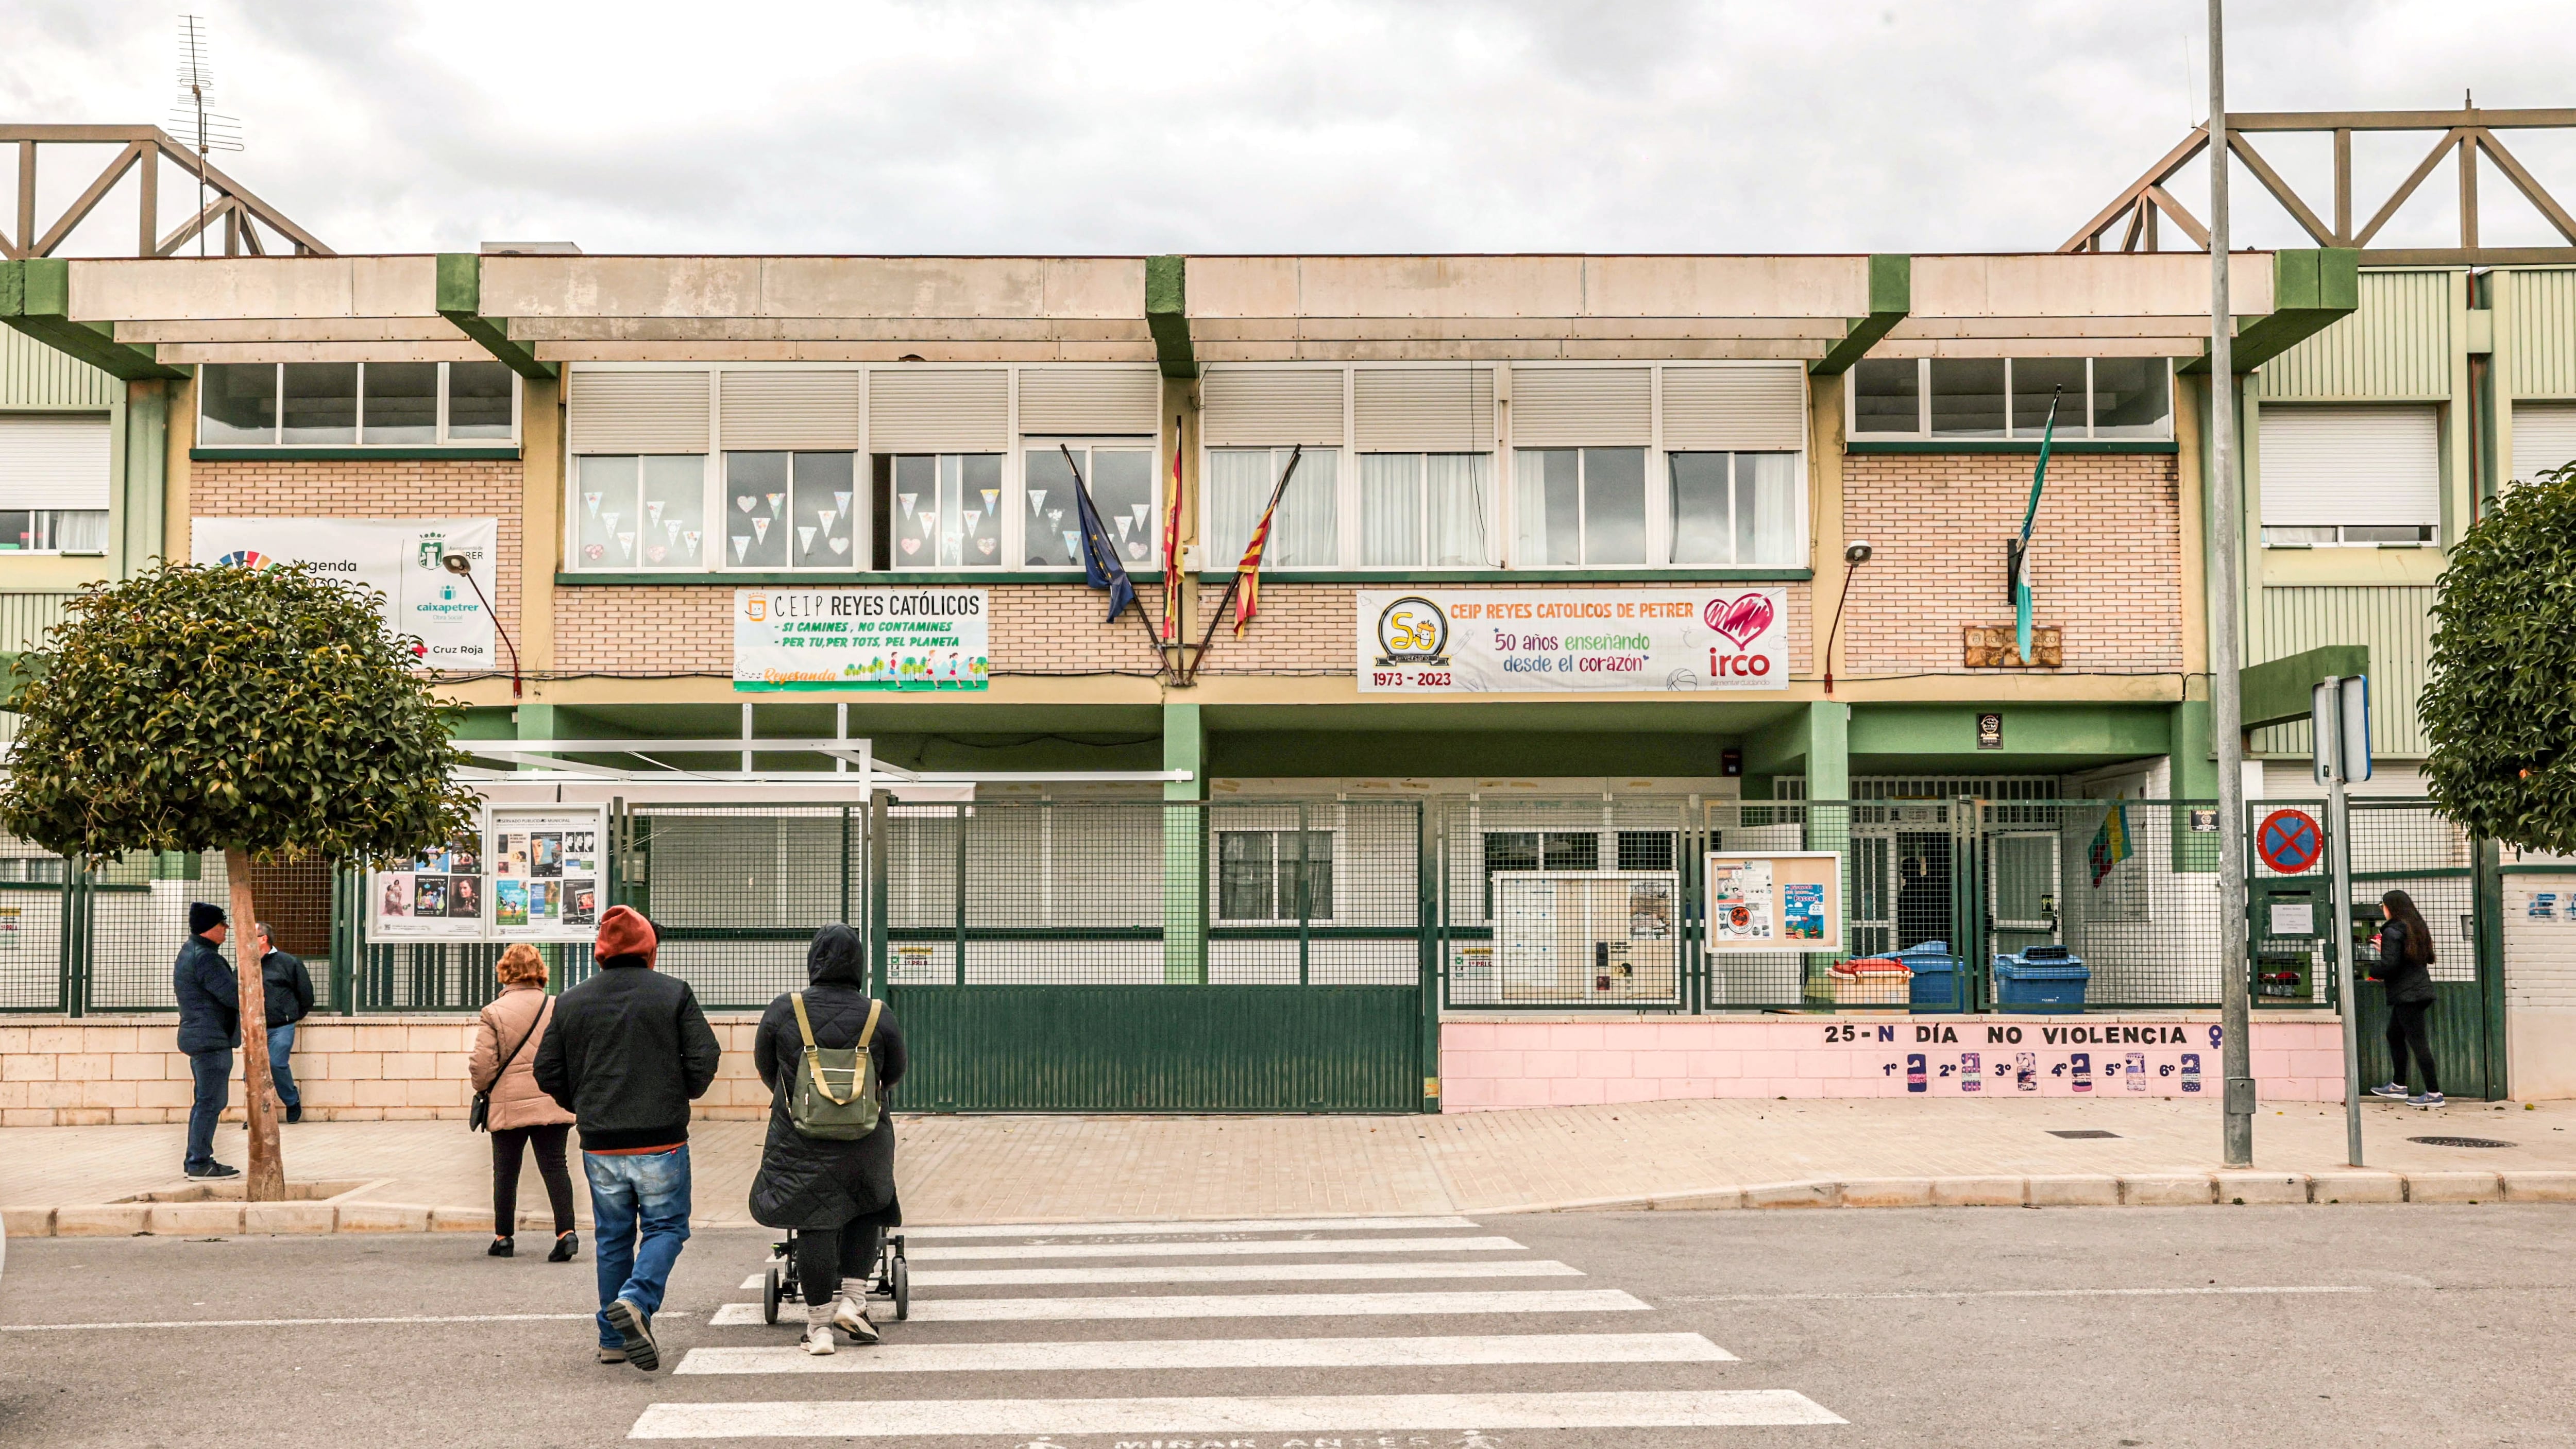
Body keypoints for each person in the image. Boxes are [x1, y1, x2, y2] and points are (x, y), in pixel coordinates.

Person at [534, 906, 720, 1371]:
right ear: (649, 949)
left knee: (614, 1237)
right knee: (667, 1227)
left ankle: (611, 1339)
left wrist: (585, 1106)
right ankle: (637, 1300)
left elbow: (546, 1070)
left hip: (600, 1143)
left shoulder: (570, 1001)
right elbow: (705, 1055)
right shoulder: (673, 993)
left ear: (600, 952)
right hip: (661, 1138)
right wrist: (681, 1094)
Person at [750, 923, 908, 1355]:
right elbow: (893, 1072)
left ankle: (818, 1328)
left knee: (815, 1221)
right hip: (866, 1136)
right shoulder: (878, 1013)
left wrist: (798, 1103)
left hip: (800, 1139)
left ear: (814, 960)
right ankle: (854, 1302)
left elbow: (767, 1067)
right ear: (857, 964)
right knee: (865, 1208)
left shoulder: (785, 1010)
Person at [470, 943, 578, 1263]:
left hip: (508, 1102)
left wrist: (483, 1088)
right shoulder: (558, 1006)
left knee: (505, 1171)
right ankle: (566, 1234)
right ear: (540, 971)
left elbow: (482, 1065)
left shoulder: (493, 1012)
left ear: (505, 972)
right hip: (551, 1100)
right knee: (556, 1166)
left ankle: (504, 1238)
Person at [172, 902, 241, 1180]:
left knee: (206, 1101)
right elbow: (232, 996)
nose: (226, 929)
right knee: (211, 1102)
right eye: (223, 924)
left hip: (202, 1035)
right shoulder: (206, 958)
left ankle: (197, 1159)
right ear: (210, 927)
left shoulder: (191, 952)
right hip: (210, 1039)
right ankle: (199, 1162)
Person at [2367, 889, 2444, 1107]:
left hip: (2407, 994)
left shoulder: (2393, 931)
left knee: (2418, 1044)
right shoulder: (2416, 928)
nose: (2382, 910)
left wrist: (2373, 970)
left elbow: (2390, 965)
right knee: (2394, 1035)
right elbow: (2417, 959)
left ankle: (2434, 1093)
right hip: (2417, 991)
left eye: (2383, 905)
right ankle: (2399, 1085)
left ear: (2390, 907)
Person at [255, 923, 315, 1126]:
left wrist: (293, 1015)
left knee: (276, 1063)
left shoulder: (288, 962)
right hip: (255, 1027)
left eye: (251, 936)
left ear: (264, 938)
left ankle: (291, 1100)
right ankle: (257, 1114)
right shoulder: (246, 963)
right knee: (251, 1072)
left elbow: (305, 992)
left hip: (282, 1025)